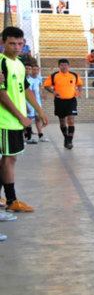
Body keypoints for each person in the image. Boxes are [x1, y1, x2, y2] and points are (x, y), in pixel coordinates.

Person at [0, 26, 49, 214]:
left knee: (9, 159)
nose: (16, 47)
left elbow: (26, 89)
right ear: (4, 43)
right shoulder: (2, 62)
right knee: (8, 159)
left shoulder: (20, 64)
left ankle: (7, 199)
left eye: (20, 43)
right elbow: (2, 94)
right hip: (5, 121)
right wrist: (21, 117)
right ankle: (12, 200)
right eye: (12, 43)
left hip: (14, 122)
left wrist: (40, 111)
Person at [44, 58, 83, 149]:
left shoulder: (74, 75)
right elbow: (46, 85)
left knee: (71, 120)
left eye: (66, 65)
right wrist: (53, 91)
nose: (64, 66)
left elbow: (80, 84)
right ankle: (66, 138)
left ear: (68, 66)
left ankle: (69, 141)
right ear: (59, 66)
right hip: (59, 101)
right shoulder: (54, 75)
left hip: (71, 100)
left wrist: (79, 92)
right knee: (62, 122)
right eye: (62, 65)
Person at [24, 63, 45, 144]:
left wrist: (42, 94)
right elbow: (28, 93)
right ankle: (27, 137)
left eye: (37, 69)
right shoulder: (26, 79)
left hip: (37, 102)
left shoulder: (38, 79)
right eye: (33, 69)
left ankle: (40, 135)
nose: (35, 71)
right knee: (28, 120)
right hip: (29, 103)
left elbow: (38, 89)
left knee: (38, 118)